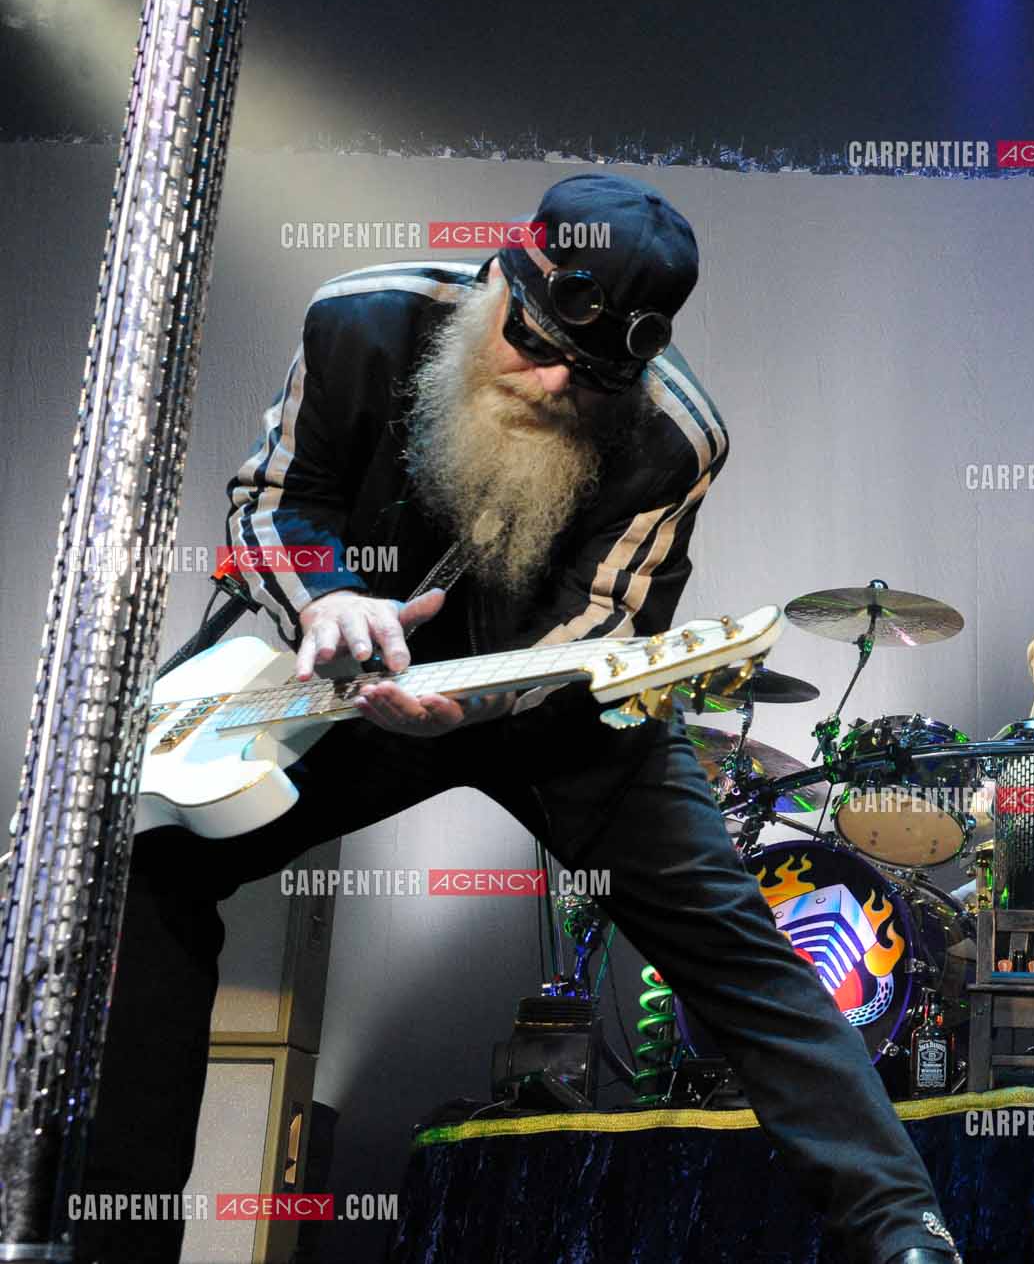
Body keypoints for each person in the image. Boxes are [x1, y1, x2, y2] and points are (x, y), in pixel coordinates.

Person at [84, 174, 962, 1264]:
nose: (550, 382)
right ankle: (110, 1236)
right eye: (535, 341)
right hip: (340, 668)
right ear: (503, 273)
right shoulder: (361, 316)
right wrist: (333, 600)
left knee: (735, 943)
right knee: (146, 861)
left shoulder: (677, 436)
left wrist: (481, 699)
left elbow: (607, 622)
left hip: (550, 703)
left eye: (588, 376)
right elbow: (272, 502)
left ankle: (901, 1230)